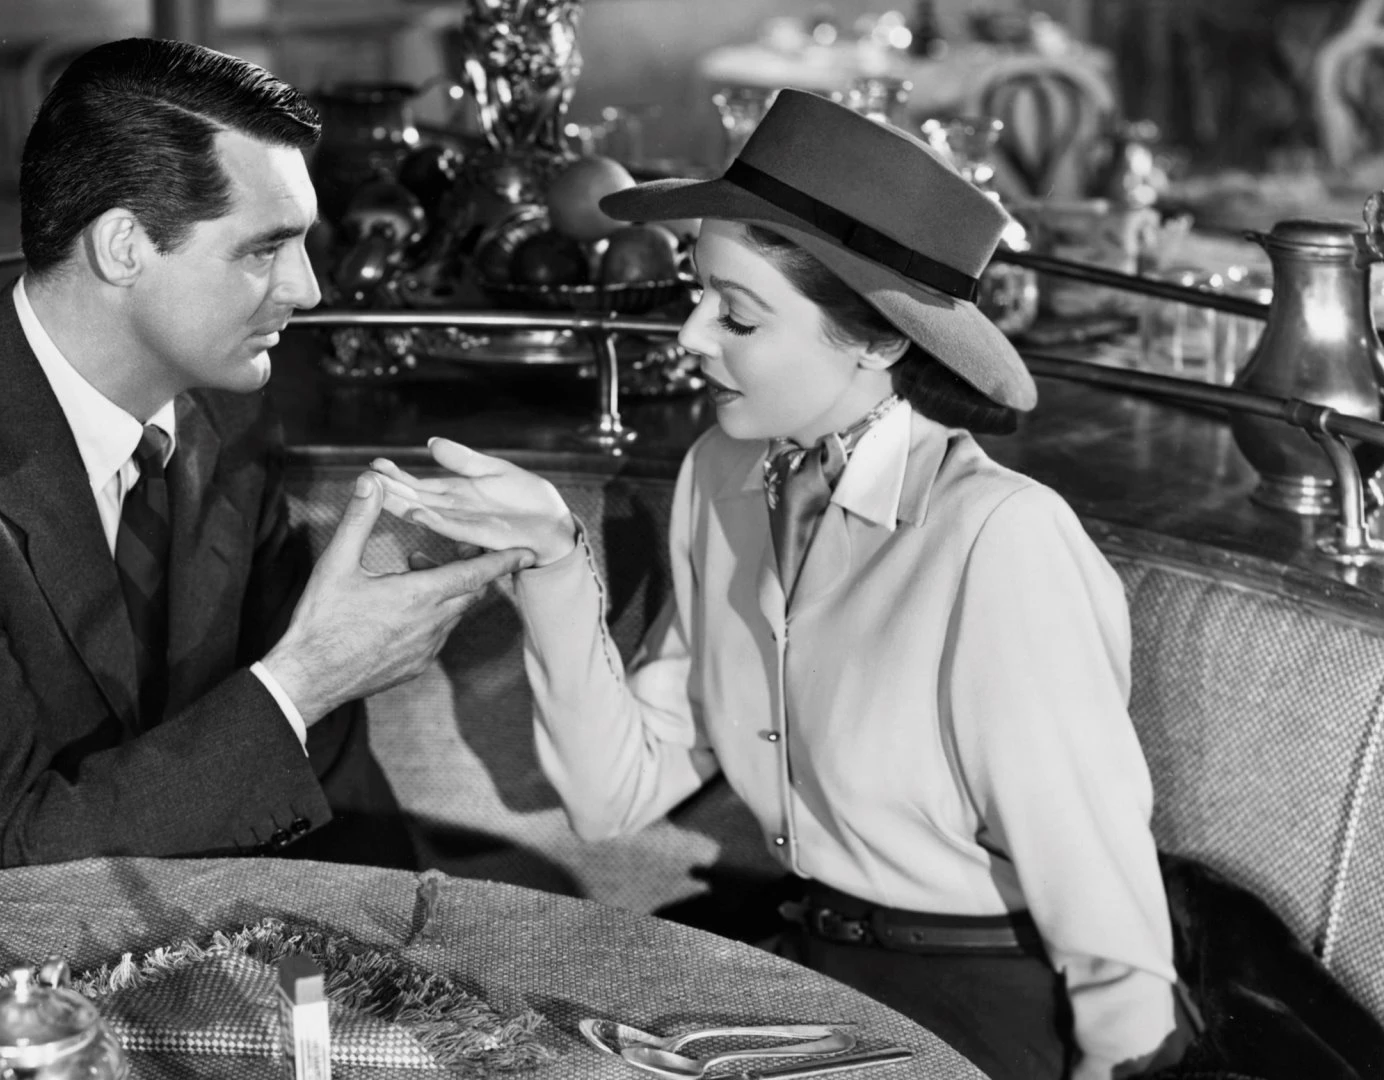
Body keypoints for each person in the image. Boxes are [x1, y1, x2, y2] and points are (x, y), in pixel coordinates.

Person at [370, 91, 1189, 1079]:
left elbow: (1102, 900)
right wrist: (550, 561)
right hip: (807, 971)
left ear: (879, 341)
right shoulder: (722, 474)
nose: (691, 336)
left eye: (739, 314)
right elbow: (610, 795)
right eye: (698, 294)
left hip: (982, 1002)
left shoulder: (999, 538)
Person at [0, 38, 533, 947]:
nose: (307, 289)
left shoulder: (223, 410)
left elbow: (321, 761)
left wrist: (405, 955)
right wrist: (306, 679)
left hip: (121, 933)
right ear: (122, 247)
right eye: (264, 249)